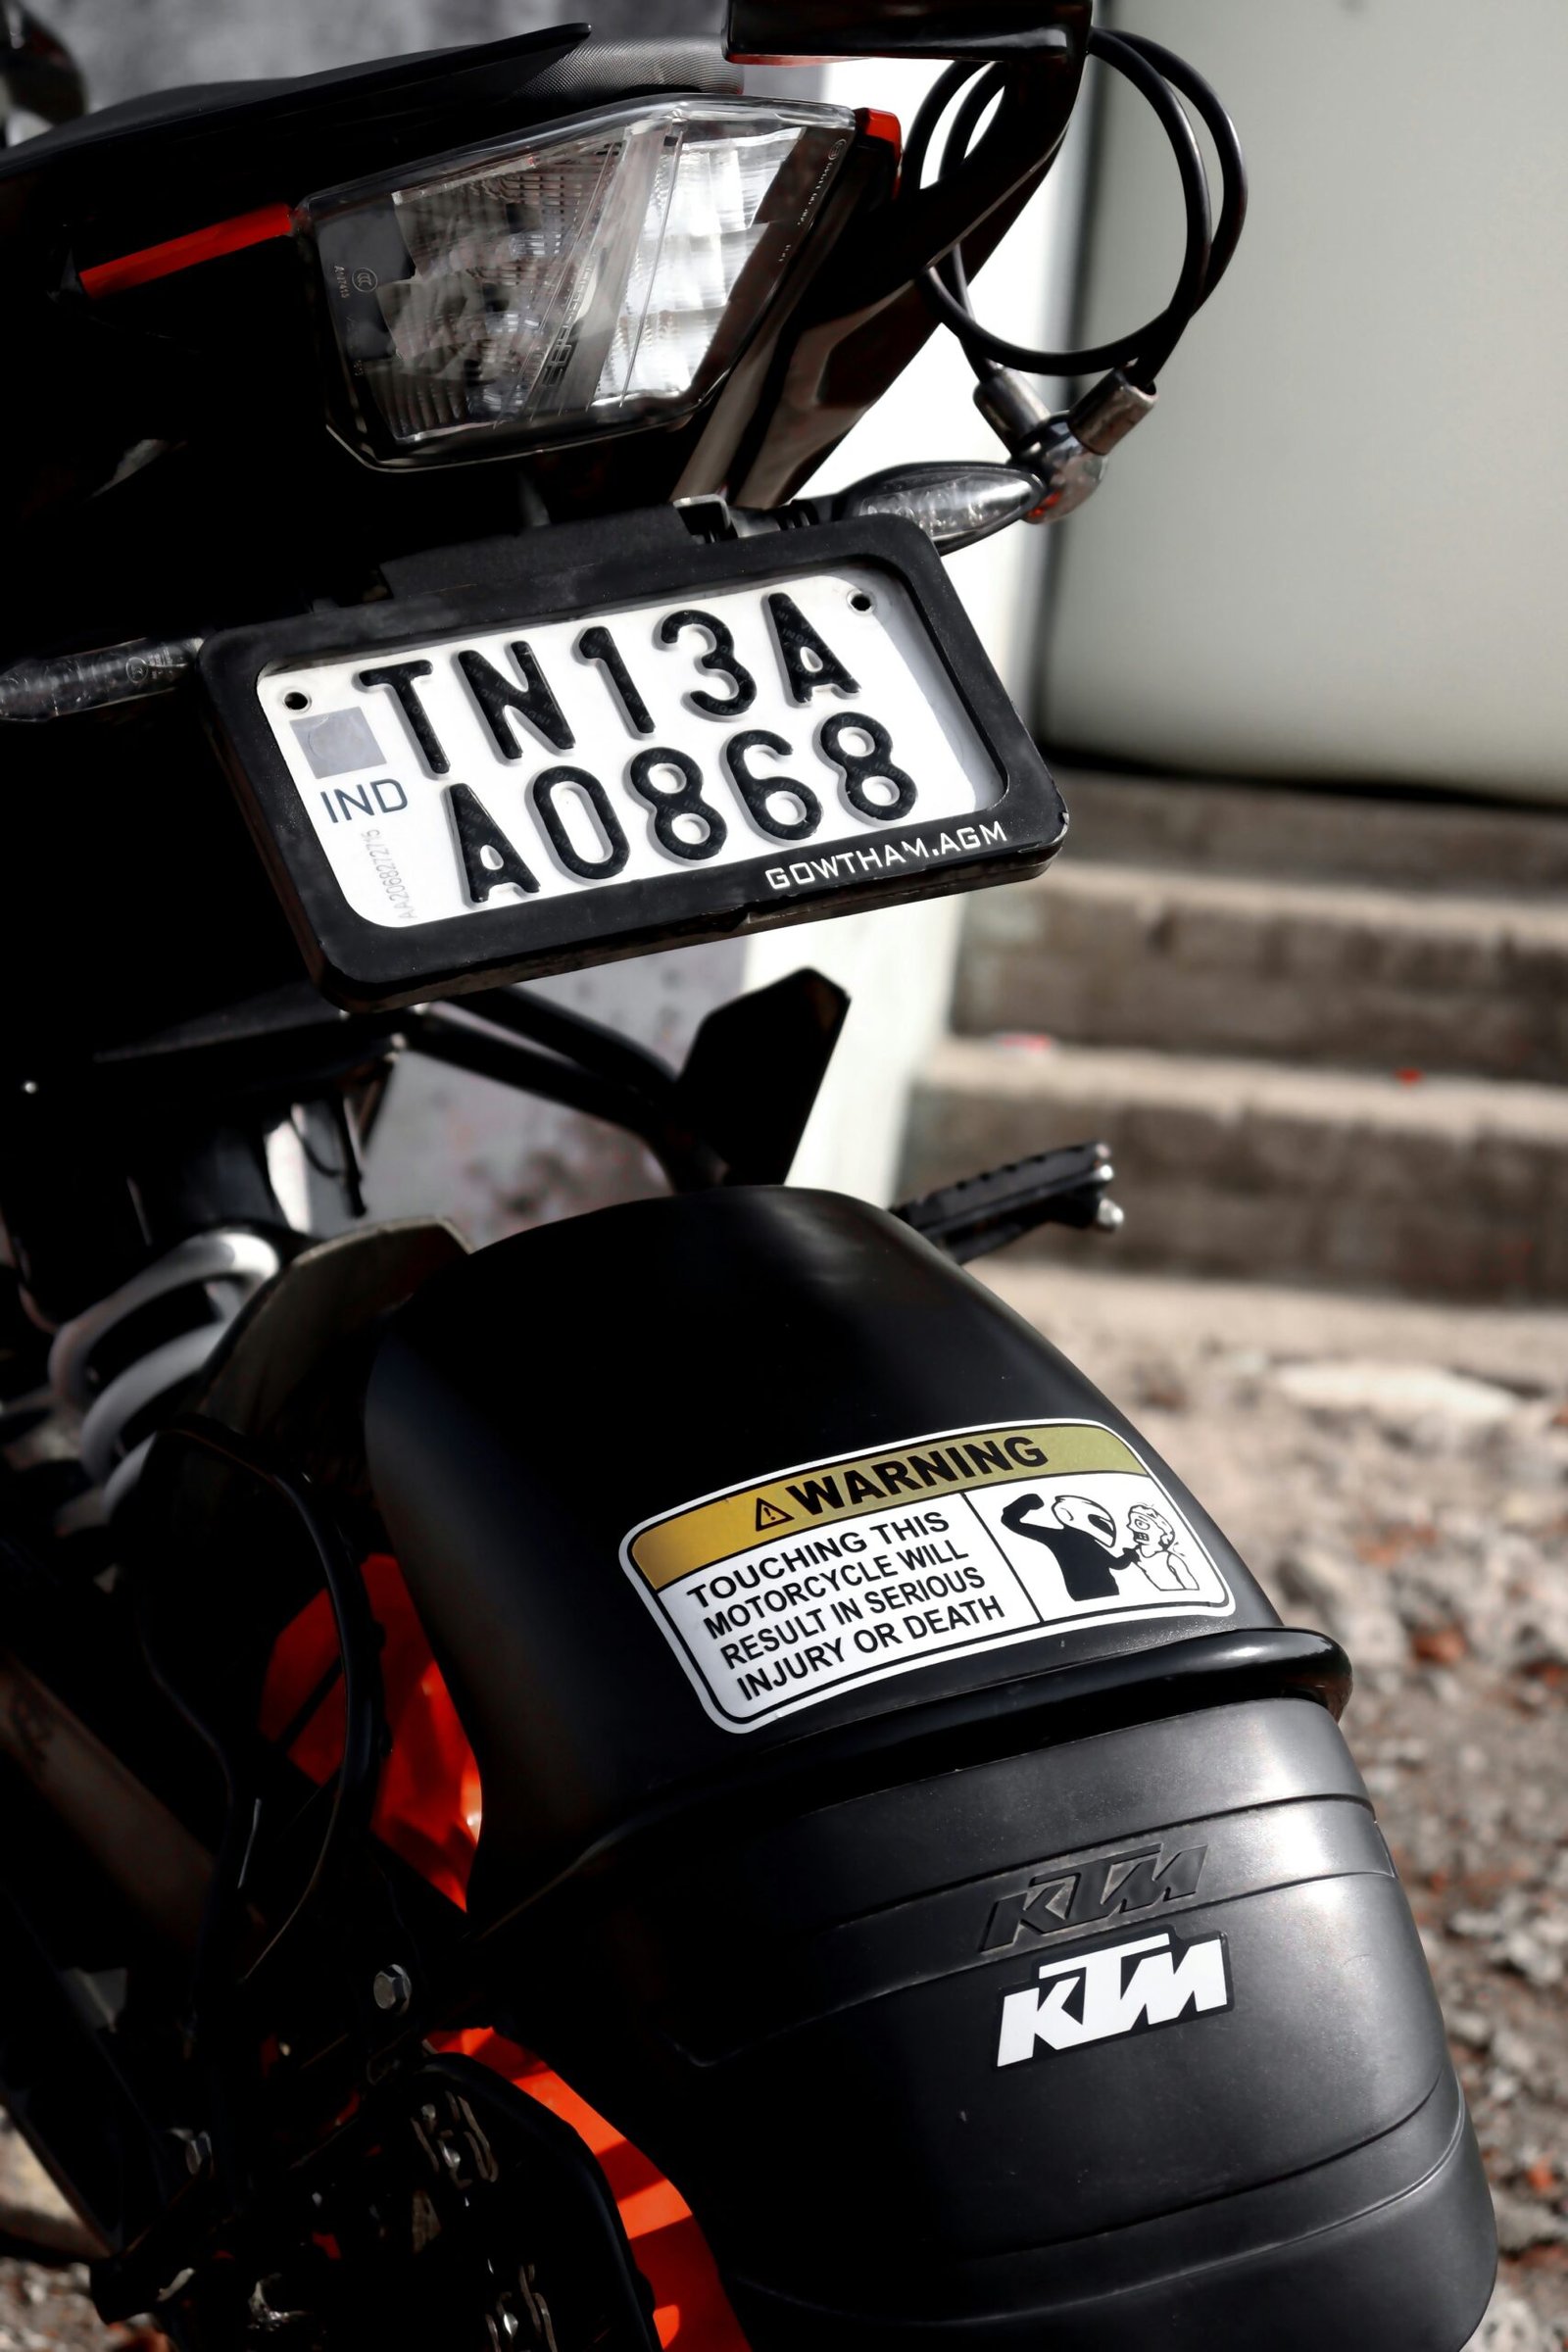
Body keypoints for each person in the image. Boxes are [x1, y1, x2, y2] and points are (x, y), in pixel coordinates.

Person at [999, 1491, 1137, 1602]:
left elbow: (1011, 1522)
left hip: (1086, 1592)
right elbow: (1118, 1564)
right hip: (1103, 1591)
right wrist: (1130, 1554)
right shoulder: (1075, 1540)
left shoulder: (1062, 1538)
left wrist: (1027, 1502)